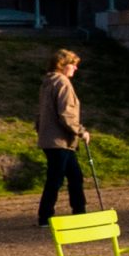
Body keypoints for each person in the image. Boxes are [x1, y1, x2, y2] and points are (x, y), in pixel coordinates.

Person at [37, 48, 92, 223]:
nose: (75, 68)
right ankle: (46, 216)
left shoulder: (48, 82)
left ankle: (78, 211)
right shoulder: (62, 83)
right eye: (73, 65)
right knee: (57, 178)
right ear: (63, 65)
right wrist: (81, 131)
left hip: (51, 139)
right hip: (60, 140)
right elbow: (66, 114)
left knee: (73, 175)